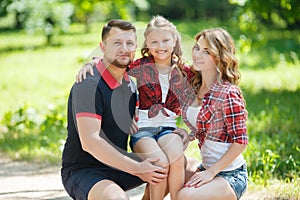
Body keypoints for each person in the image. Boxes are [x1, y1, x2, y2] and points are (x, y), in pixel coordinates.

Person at [76, 15, 193, 200]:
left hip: (168, 129)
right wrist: (92, 62)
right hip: (144, 130)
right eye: (154, 41)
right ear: (146, 44)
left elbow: (202, 92)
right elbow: (114, 62)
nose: (160, 45)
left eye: (165, 40)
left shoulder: (184, 71)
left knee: (178, 158)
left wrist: (188, 131)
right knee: (160, 163)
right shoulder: (141, 66)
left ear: (174, 41)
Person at [61, 19, 168, 200]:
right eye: (117, 42)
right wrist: (137, 168)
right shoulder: (88, 84)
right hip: (85, 171)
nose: (124, 48)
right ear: (103, 47)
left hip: (118, 165)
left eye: (129, 43)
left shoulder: (130, 85)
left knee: (176, 168)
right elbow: (90, 142)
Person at [178, 27, 248, 200]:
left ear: (219, 56)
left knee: (185, 195)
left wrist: (211, 172)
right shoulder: (195, 86)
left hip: (230, 175)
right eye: (197, 48)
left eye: (206, 51)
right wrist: (188, 134)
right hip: (206, 167)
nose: (197, 54)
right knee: (166, 171)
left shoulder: (228, 93)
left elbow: (240, 142)